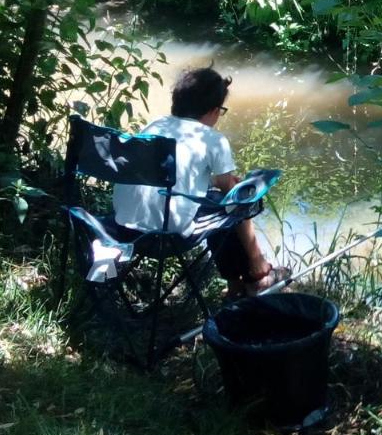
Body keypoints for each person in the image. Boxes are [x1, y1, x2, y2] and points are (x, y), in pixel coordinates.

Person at [112, 66, 287, 294]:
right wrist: (230, 186)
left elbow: (166, 178)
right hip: (166, 237)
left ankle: (237, 285)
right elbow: (231, 195)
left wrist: (212, 181)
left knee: (216, 199)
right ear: (214, 110)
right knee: (238, 202)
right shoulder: (212, 139)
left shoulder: (154, 126)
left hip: (124, 229)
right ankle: (258, 270)